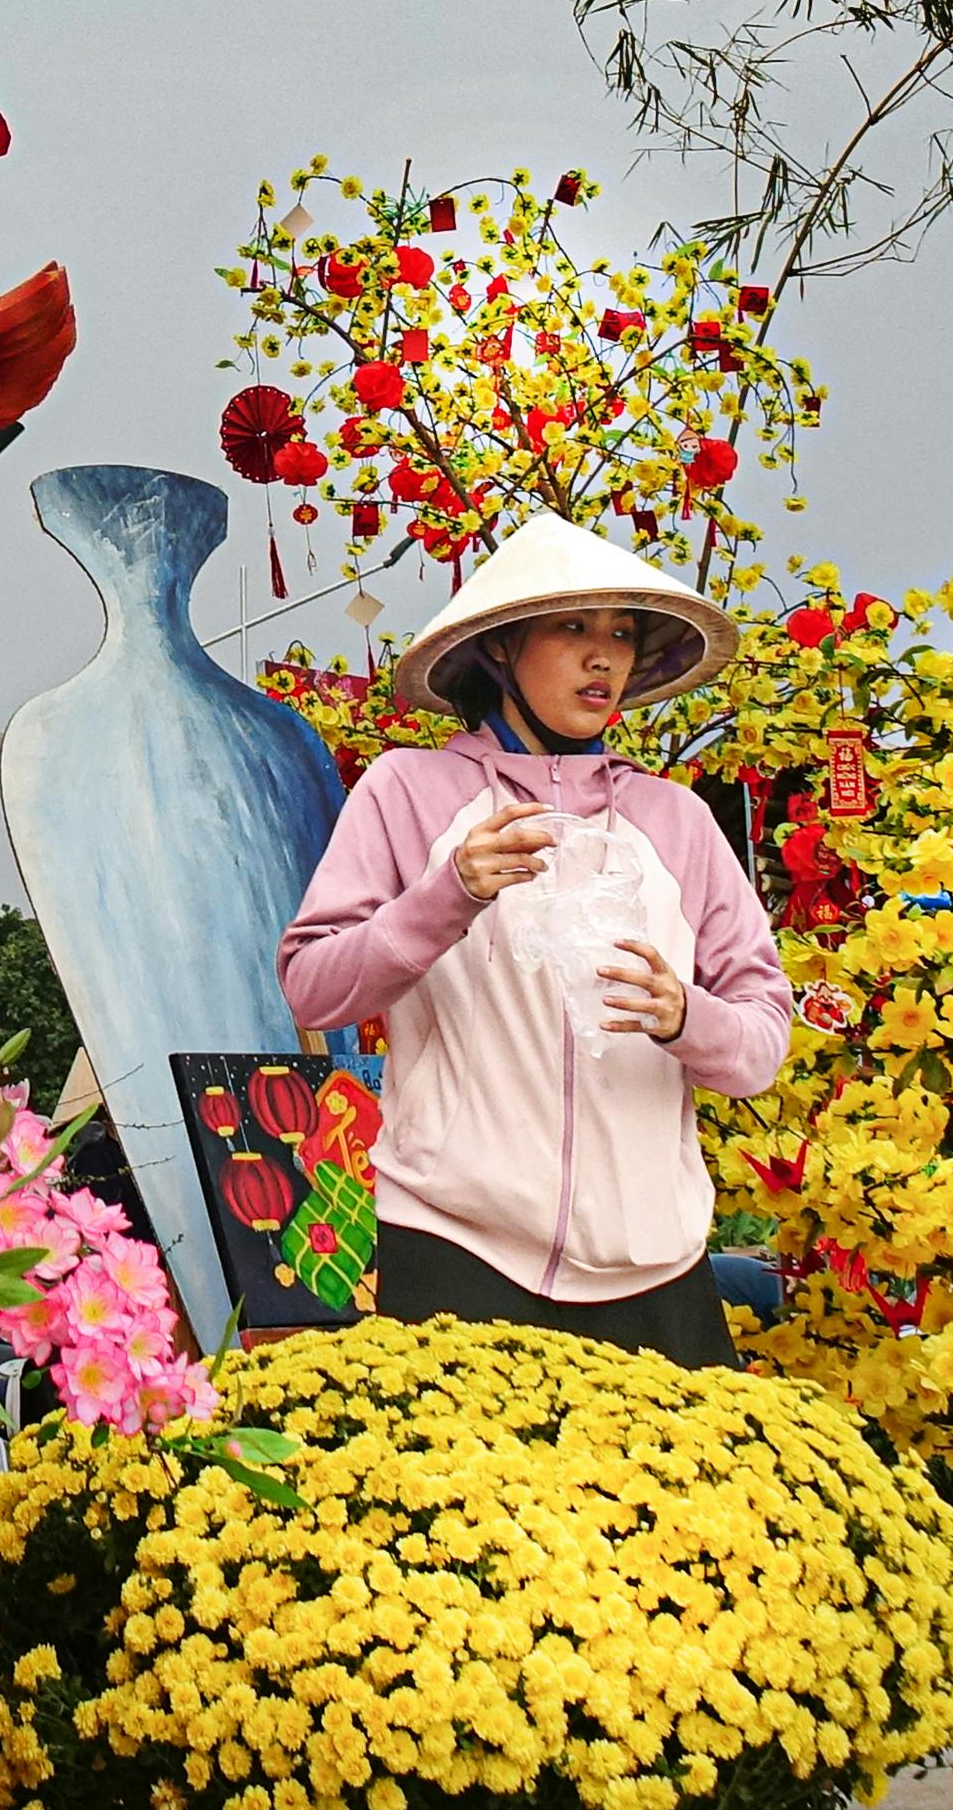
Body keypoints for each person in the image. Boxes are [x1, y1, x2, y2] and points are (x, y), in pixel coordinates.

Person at [279, 514, 787, 1367]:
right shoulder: (411, 791)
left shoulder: (677, 821)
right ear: (504, 648)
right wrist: (450, 894)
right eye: (573, 627)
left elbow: (761, 1042)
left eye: (622, 633)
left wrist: (683, 1015)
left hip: (656, 1262)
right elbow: (312, 987)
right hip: (456, 1249)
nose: (604, 657)